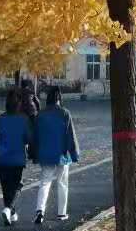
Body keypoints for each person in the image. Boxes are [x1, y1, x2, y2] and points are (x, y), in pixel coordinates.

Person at [33, 86, 80, 224]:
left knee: (45, 182)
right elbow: (70, 136)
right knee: (62, 183)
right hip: (62, 155)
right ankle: (61, 213)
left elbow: (35, 137)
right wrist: (74, 154)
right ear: (59, 98)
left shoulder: (40, 115)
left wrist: (34, 154)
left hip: (46, 155)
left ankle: (39, 211)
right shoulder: (65, 113)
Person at [0, 89, 33, 226]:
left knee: (6, 188)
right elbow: (29, 138)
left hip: (2, 158)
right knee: (17, 185)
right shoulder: (23, 119)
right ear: (19, 103)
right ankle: (8, 209)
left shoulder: (1, 118)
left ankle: (11, 213)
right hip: (17, 158)